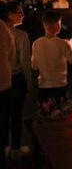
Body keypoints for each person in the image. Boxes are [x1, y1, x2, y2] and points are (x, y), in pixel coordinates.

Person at [0, 2, 31, 159]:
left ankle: (5, 147)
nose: (23, 15)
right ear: (10, 15)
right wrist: (30, 82)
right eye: (19, 12)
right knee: (16, 115)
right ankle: (16, 148)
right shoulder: (21, 35)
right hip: (16, 78)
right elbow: (25, 62)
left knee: (3, 117)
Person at [31, 11, 72, 116]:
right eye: (60, 23)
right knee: (60, 116)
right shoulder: (63, 44)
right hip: (60, 84)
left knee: (46, 115)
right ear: (56, 25)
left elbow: (34, 65)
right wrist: (71, 47)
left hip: (43, 85)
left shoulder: (36, 43)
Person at [0, 16, 14, 168]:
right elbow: (11, 52)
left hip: (3, 82)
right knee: (3, 122)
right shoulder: (2, 27)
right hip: (3, 83)